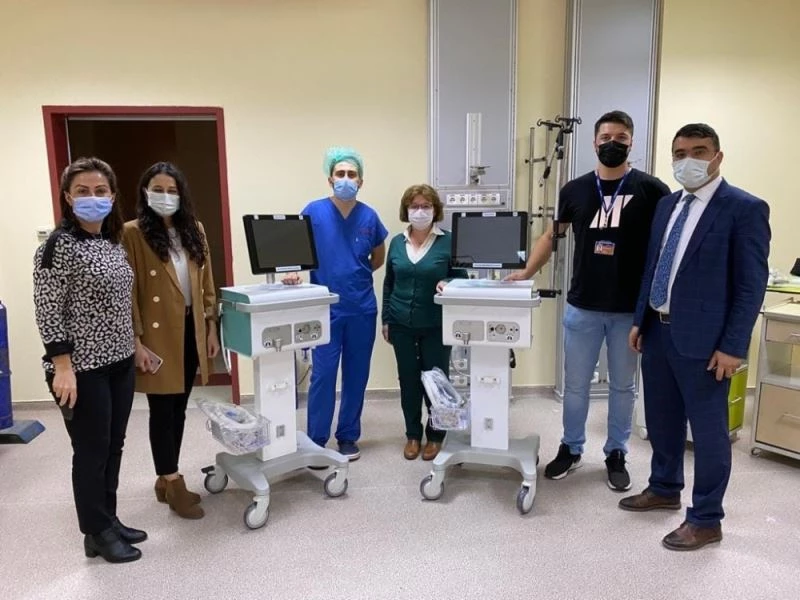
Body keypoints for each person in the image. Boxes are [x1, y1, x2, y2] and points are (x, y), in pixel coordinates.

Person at [621, 123, 770, 551]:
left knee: (708, 433)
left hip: (707, 343)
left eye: (699, 151)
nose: (688, 161)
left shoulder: (744, 208)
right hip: (658, 331)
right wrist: (640, 319)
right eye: (680, 153)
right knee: (662, 420)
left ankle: (706, 518)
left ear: (717, 156)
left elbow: (750, 286)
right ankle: (664, 487)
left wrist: (733, 346)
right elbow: (654, 267)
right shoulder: (667, 205)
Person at [505, 110, 671, 491]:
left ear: (632, 142)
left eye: (621, 137)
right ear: (594, 142)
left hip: (629, 310)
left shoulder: (652, 190)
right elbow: (552, 235)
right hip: (583, 306)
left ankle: (616, 453)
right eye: (606, 137)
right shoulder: (575, 190)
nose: (613, 143)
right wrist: (527, 272)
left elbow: (665, 245)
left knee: (623, 387)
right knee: (576, 385)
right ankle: (571, 447)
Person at [33, 157, 145, 563]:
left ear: (112, 197)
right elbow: (48, 309)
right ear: (68, 197)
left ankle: (108, 520)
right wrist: (63, 367)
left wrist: (136, 345)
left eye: (100, 191)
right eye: (82, 191)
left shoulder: (110, 241)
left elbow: (119, 303)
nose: (92, 198)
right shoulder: (58, 246)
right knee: (91, 451)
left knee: (113, 446)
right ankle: (95, 532)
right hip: (82, 370)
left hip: (119, 361)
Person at [122, 162, 220, 520]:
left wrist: (211, 327)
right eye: (158, 190)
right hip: (157, 335)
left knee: (179, 407)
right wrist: (136, 340)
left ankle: (165, 477)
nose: (165, 196)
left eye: (172, 190)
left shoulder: (195, 229)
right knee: (162, 410)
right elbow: (129, 291)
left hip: (191, 328)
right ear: (145, 193)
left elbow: (206, 283)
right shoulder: (132, 233)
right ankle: (173, 480)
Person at [301, 147, 388, 461]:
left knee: (356, 375)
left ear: (361, 181)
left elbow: (378, 257)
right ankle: (316, 439)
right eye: (341, 174)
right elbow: (299, 252)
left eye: (352, 174)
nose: (346, 179)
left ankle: (348, 436)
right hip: (325, 308)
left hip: (361, 308)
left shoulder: (369, 216)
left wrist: (354, 275)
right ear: (330, 178)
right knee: (323, 375)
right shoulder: (313, 212)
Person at [382, 184, 467, 461]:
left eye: (426, 206)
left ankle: (436, 435)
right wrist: (386, 319)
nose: (420, 211)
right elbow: (389, 283)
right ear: (406, 210)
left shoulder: (449, 241)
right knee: (408, 380)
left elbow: (462, 278)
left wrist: (448, 281)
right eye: (414, 206)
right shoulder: (397, 242)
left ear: (435, 210)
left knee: (436, 380)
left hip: (436, 323)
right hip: (400, 323)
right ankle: (412, 434)